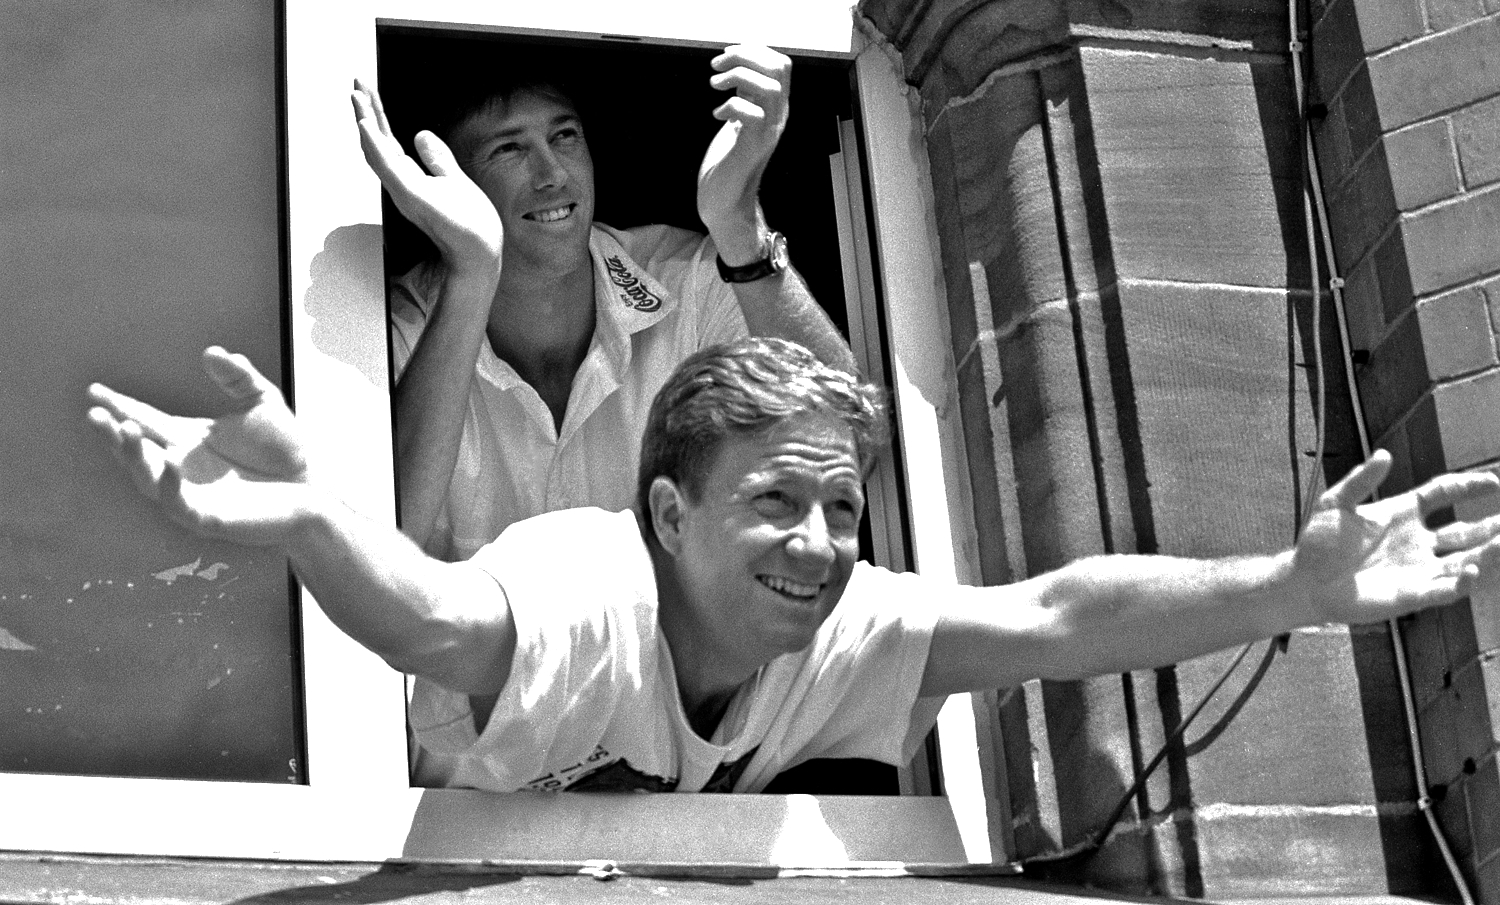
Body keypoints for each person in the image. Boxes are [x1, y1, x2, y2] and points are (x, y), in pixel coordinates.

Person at [86, 339, 1500, 793]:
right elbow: (439, 622)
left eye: (842, 507)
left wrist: (1294, 591)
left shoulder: (850, 619)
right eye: (776, 503)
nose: (821, 544)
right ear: (667, 512)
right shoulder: (590, 580)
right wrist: (312, 524)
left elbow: (1055, 613)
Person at [353, 44, 855, 561]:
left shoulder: (691, 285)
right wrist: (473, 270)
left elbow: (845, 448)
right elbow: (376, 558)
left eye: (564, 136)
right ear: (447, 180)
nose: (553, 174)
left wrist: (738, 223)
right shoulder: (398, 327)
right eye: (509, 149)